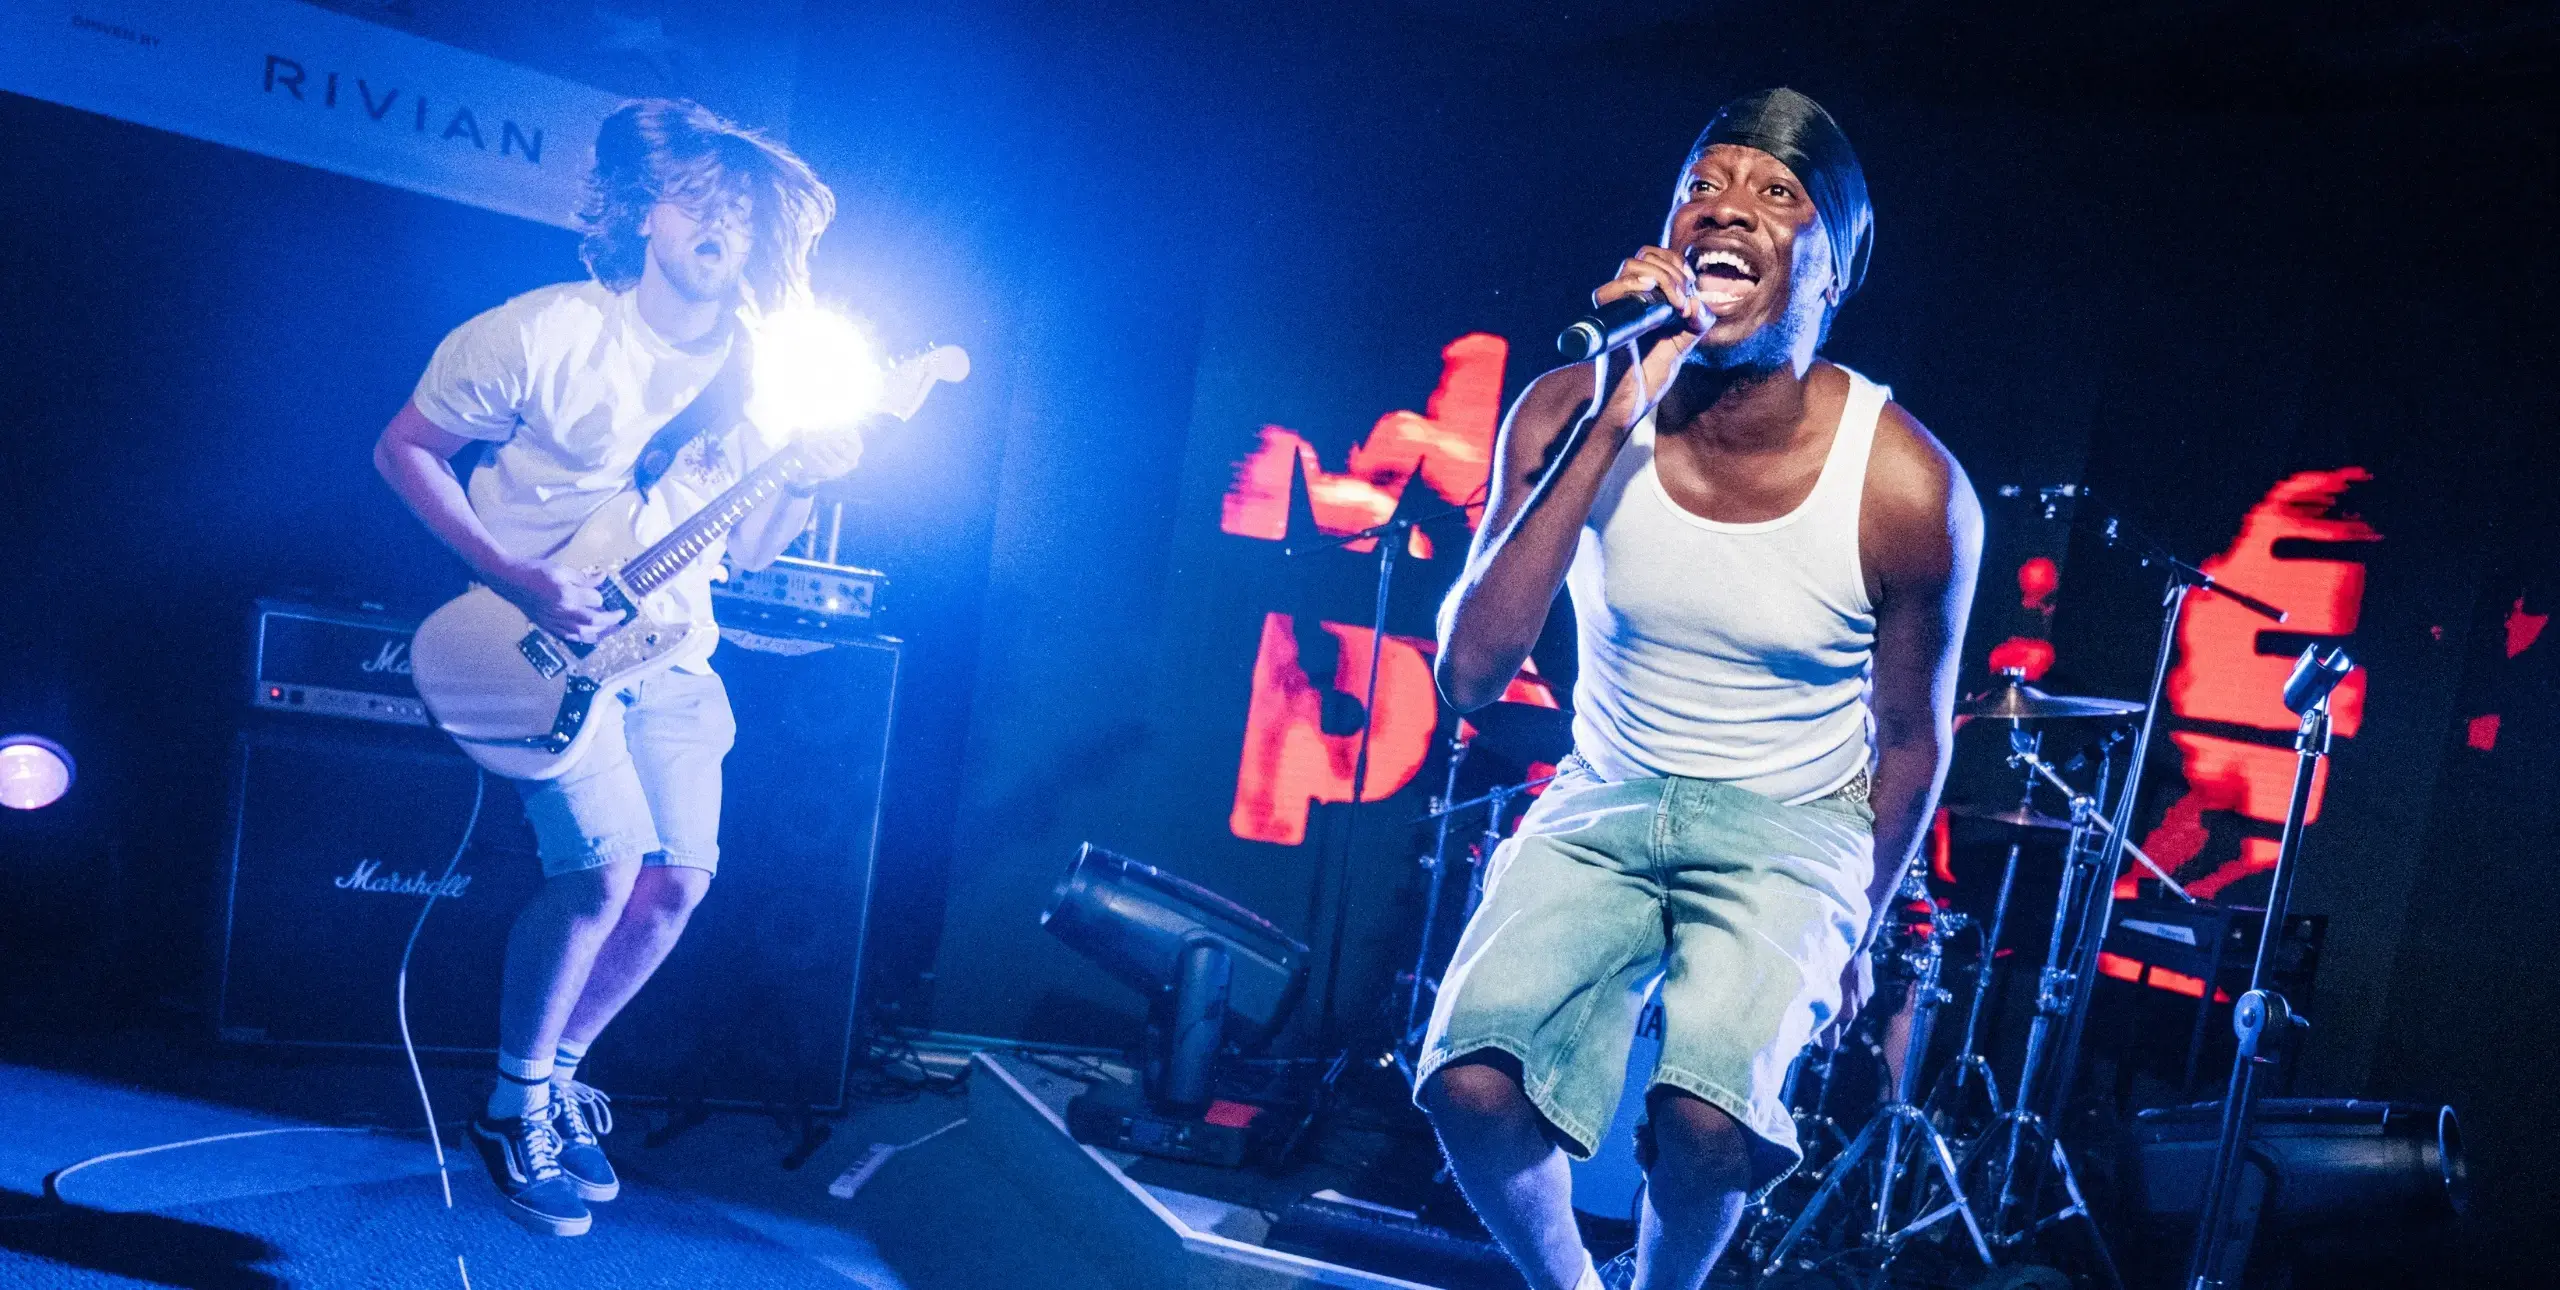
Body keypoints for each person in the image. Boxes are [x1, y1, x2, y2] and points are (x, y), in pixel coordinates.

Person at [1420, 88, 1981, 1290]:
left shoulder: (1907, 487)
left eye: (1776, 194)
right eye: (1703, 188)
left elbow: (1910, 741)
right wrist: (1611, 414)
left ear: (1832, 270)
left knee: (1708, 1120)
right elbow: (1468, 675)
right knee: (1468, 1085)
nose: (1727, 210)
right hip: (1605, 792)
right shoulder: (1568, 408)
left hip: (1792, 824)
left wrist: (1857, 931)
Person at [373, 99, 854, 1236]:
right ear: (646, 213)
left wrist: (805, 474)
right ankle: (510, 1108)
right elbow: (405, 450)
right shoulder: (543, 331)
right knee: (600, 874)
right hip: (535, 644)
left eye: (744, 216)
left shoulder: (765, 379)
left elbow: (749, 547)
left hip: (673, 654)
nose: (722, 229)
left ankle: (551, 1082)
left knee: (676, 883)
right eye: (701, 202)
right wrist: (519, 577)